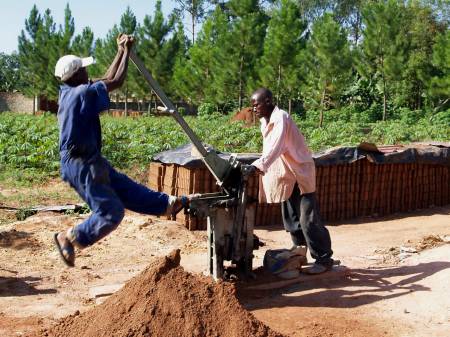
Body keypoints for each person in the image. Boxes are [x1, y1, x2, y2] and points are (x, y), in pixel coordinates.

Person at [53, 34, 191, 267]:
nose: (88, 73)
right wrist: (127, 51)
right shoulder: (82, 94)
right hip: (80, 162)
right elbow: (116, 81)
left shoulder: (70, 92)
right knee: (111, 212)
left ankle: (167, 204)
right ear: (77, 74)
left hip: (88, 158)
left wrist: (120, 50)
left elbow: (107, 78)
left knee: (123, 187)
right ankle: (69, 236)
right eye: (84, 70)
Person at [250, 88, 336, 274]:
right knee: (291, 218)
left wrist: (258, 166)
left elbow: (276, 146)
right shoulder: (265, 122)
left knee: (308, 219)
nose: (254, 108)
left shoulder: (281, 118)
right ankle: (300, 251)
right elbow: (270, 150)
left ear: (267, 101)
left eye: (256, 104)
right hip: (286, 175)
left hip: (299, 172)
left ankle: (324, 259)